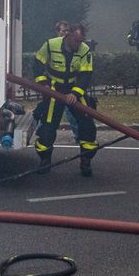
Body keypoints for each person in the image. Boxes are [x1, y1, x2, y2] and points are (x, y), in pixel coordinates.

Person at [32, 23, 98, 176]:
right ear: (67, 36)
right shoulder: (50, 45)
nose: (78, 44)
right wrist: (44, 85)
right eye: (76, 41)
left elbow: (85, 75)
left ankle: (86, 161)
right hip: (54, 89)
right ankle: (45, 160)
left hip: (74, 90)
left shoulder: (84, 51)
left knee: (87, 123)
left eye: (81, 41)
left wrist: (75, 94)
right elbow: (37, 64)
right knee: (48, 126)